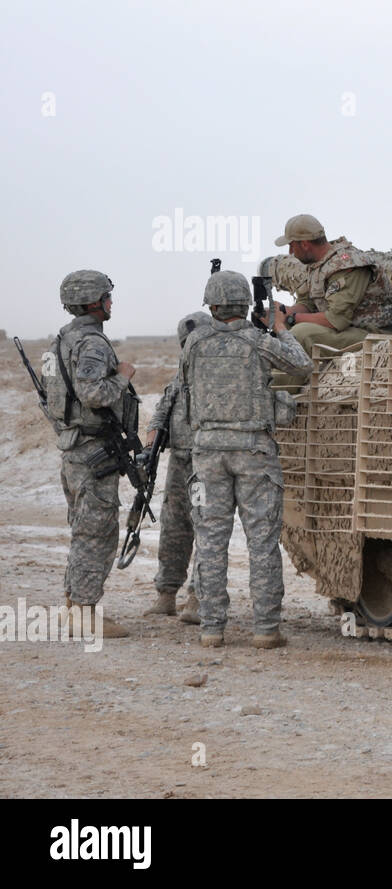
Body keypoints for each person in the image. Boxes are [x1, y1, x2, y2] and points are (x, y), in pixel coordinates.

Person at [183, 271, 312, 649]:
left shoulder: (193, 342)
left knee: (209, 542)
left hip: (207, 455)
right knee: (262, 542)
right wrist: (279, 328)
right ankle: (265, 629)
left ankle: (211, 629)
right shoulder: (257, 341)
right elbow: (302, 366)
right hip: (254, 452)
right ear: (243, 305)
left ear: (212, 305)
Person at [50, 270, 135, 639]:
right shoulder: (92, 343)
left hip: (73, 448)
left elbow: (52, 402)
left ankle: (73, 607)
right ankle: (84, 614)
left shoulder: (61, 342)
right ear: (93, 302)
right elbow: (93, 394)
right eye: (106, 297)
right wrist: (124, 377)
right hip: (91, 450)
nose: (111, 302)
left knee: (83, 528)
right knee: (96, 532)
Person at [267, 213, 392, 389]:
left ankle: (278, 393)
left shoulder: (347, 265)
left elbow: (336, 320)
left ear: (304, 244)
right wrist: (284, 312)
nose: (290, 252)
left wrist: (291, 319)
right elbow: (308, 303)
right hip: (345, 330)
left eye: (291, 246)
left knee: (301, 335)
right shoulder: (318, 265)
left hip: (370, 334)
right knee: (276, 333)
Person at [143, 312, 209, 623]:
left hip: (208, 465)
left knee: (207, 530)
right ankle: (166, 595)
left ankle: (197, 599)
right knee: (174, 530)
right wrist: (150, 446)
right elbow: (160, 416)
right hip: (180, 464)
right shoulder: (178, 380)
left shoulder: (221, 378)